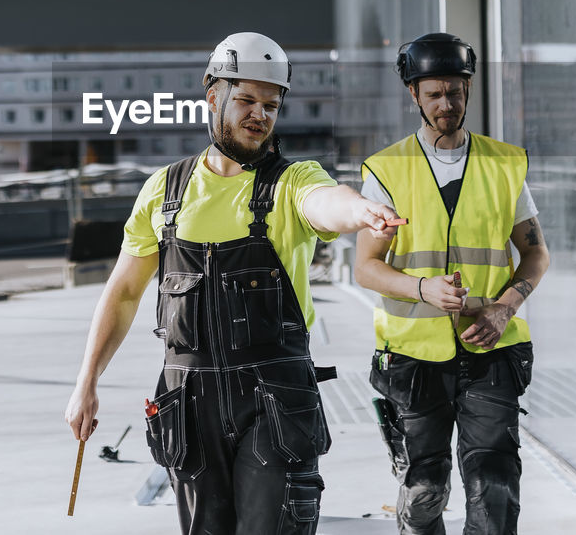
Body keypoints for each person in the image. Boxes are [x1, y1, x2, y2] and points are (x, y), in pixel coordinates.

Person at [65, 32, 401, 534]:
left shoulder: (292, 181)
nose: (259, 115)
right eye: (245, 100)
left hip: (274, 397)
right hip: (189, 401)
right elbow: (125, 291)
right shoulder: (166, 192)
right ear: (213, 97)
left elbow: (328, 201)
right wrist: (86, 382)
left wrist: (360, 211)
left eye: (270, 105)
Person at [354, 33, 550, 535]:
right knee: (425, 490)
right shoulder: (386, 170)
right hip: (414, 358)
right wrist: (424, 290)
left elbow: (535, 253)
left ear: (468, 90)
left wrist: (504, 308)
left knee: (495, 484)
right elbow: (366, 267)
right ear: (414, 95)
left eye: (456, 91)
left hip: (492, 351)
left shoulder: (504, 165)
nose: (447, 104)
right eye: (435, 93)